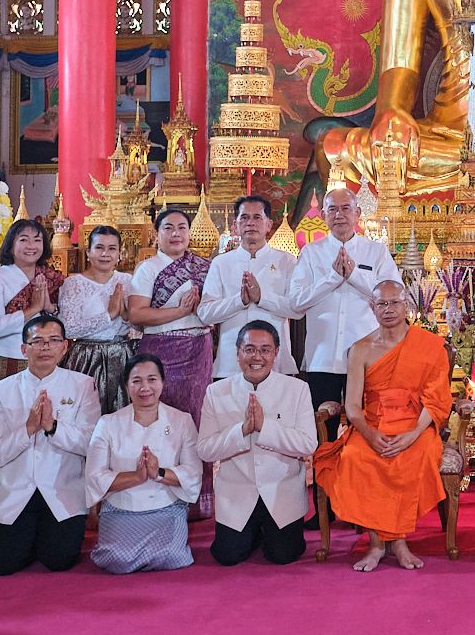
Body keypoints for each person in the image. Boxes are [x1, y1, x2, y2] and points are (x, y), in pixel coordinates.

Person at [310, 282, 452, 571]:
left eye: (394, 303)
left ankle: (397, 541)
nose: (388, 310)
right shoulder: (361, 349)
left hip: (415, 425)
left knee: (417, 455)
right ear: (372, 308)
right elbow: (352, 406)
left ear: (407, 306)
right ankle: (378, 543)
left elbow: (435, 401)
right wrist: (370, 435)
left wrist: (412, 435)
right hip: (372, 424)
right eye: (381, 305)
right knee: (355, 457)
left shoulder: (429, 345)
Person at [0, 314, 100, 574]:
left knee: (59, 560)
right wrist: (27, 429)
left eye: (53, 340)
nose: (45, 348)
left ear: (65, 346)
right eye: (37, 341)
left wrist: (53, 427)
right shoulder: (0, 391)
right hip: (16, 491)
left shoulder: (83, 385)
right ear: (23, 349)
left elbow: (91, 444)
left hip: (62, 491)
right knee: (3, 564)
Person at [197, 321, 318, 566]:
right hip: (237, 492)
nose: (257, 357)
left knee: (282, 556)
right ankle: (251, 533)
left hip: (281, 491)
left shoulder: (297, 389)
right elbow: (205, 449)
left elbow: (307, 445)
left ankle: (270, 533)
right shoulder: (216, 391)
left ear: (276, 353)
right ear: (237, 352)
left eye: (265, 350)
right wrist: (242, 431)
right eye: (249, 349)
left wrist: (265, 428)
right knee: (227, 556)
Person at [127, 209, 214, 506]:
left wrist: (201, 311)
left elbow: (216, 310)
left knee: (197, 418)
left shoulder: (204, 267)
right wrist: (181, 311)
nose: (176, 234)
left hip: (198, 350)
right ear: (157, 233)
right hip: (159, 351)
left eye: (181, 228)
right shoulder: (148, 269)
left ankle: (198, 497)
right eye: (168, 228)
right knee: (161, 417)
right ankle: (159, 491)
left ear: (189, 233)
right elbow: (137, 314)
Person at [86, 356, 203, 573]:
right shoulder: (108, 423)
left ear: (163, 383)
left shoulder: (182, 420)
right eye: (137, 381)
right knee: (116, 560)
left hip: (166, 506)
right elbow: (94, 476)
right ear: (126, 386)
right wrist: (136, 477)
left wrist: (158, 473)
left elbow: (193, 472)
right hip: (121, 508)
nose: (145, 387)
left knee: (172, 556)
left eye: (152, 379)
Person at [288, 188, 402, 408]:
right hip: (322, 358)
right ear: (323, 216)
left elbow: (394, 298)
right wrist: (332, 278)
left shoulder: (376, 252)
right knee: (323, 432)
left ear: (357, 213)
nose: (339, 215)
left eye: (345, 209)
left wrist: (354, 276)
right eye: (332, 210)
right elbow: (296, 302)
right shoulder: (311, 253)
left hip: (368, 359)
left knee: (366, 427)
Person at [198, 195, 300, 380]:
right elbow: (206, 313)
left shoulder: (286, 261)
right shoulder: (221, 263)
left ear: (269, 225)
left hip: (276, 365)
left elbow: (297, 309)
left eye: (257, 217)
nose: (250, 223)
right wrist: (239, 301)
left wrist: (262, 298)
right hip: (230, 365)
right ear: (235, 225)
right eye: (244, 218)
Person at [0, 217, 64, 389]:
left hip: (46, 358)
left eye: (37, 240)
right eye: (24, 239)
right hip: (8, 357)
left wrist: (49, 309)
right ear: (10, 245)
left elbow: (63, 324)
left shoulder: (50, 277)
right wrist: (33, 309)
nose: (31, 246)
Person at [58, 224, 136, 412]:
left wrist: (126, 316)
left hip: (122, 355)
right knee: (86, 413)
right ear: (89, 252)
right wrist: (108, 315)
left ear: (119, 253)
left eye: (112, 249)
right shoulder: (74, 283)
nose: (105, 254)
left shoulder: (127, 281)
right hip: (86, 356)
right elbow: (68, 328)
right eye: (99, 248)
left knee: (122, 415)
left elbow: (140, 325)